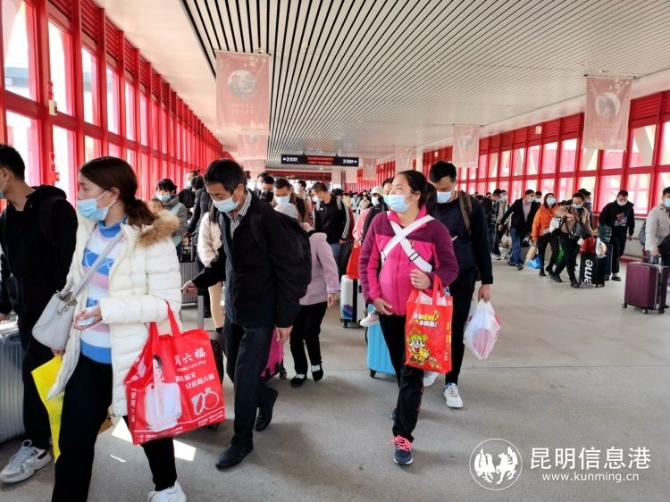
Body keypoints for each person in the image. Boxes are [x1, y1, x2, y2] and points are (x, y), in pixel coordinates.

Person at [50, 156, 185, 502]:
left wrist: (106, 311)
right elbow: (76, 282)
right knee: (73, 443)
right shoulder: (86, 227)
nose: (78, 195)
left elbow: (167, 304)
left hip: (135, 358)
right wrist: (65, 332)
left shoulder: (151, 238)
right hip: (87, 357)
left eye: (84, 188)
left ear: (111, 194)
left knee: (150, 432)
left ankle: (168, 487)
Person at [183, 159, 304, 470]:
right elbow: (225, 257)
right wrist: (200, 281)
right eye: (211, 195)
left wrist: (285, 318)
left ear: (238, 190)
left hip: (262, 312)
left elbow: (290, 270)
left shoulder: (266, 219)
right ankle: (266, 397)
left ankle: (241, 440)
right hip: (235, 308)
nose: (214, 201)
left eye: (219, 195)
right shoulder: (227, 215)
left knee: (245, 378)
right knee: (234, 372)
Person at [359, 170, 458, 466]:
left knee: (411, 372)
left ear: (415, 195)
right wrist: (373, 296)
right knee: (399, 367)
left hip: (421, 315)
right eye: (390, 188)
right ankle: (408, 401)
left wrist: (431, 280)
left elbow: (451, 268)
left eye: (398, 188)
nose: (391, 192)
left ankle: (403, 436)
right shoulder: (380, 221)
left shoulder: (435, 229)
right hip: (388, 310)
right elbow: (367, 261)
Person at [0, 145, 77, 485]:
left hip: (57, 315)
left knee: (35, 375)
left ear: (5, 174)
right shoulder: (6, 217)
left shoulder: (55, 209)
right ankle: (52, 438)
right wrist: (4, 304)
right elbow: (7, 266)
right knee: (41, 377)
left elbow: (72, 267)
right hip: (27, 314)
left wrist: (62, 317)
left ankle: (38, 445)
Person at [425, 162, 493, 408]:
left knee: (454, 329)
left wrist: (487, 281)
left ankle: (451, 382)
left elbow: (482, 244)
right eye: (435, 188)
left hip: (461, 277)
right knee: (429, 325)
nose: (439, 193)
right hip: (429, 278)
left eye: (444, 188)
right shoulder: (425, 203)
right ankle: (431, 366)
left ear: (455, 182)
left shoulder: (470, 206)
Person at [273, 203, 339, 387]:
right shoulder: (279, 240)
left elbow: (329, 265)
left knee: (310, 333)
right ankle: (300, 370)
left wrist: (332, 289)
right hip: (293, 298)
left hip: (316, 297)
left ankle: (316, 362)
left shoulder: (316, 238)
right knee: (295, 337)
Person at [551, 192, 596, 288]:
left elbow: (587, 224)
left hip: (577, 237)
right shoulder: (567, 208)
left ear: (583, 202)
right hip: (565, 235)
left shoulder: (584, 211)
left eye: (579, 202)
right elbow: (557, 212)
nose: (576, 204)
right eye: (575, 202)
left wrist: (592, 233)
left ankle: (555, 273)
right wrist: (567, 214)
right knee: (569, 257)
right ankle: (573, 279)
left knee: (568, 256)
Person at [197, 201, 224, 335]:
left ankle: (236, 329)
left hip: (235, 266)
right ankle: (220, 330)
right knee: (215, 298)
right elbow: (204, 245)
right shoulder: (208, 218)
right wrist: (213, 267)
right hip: (213, 265)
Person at [312, 182, 351, 270]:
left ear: (320, 192)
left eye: (314, 194)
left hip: (336, 242)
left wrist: (343, 237)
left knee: (334, 266)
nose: (314, 197)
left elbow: (347, 220)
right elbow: (316, 224)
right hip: (322, 242)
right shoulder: (317, 206)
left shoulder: (339, 202)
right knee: (323, 267)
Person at [599, 190, 635, 281]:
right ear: (617, 197)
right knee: (613, 252)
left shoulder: (629, 208)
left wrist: (631, 233)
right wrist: (604, 228)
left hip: (622, 233)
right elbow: (602, 218)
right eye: (621, 199)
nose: (623, 201)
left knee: (619, 252)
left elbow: (631, 221)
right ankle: (612, 273)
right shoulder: (610, 206)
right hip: (611, 233)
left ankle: (612, 271)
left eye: (625, 200)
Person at [500, 189, 539, 270]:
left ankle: (512, 259)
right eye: (531, 195)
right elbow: (508, 212)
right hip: (515, 226)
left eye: (534, 196)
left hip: (525, 228)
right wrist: (501, 223)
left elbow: (536, 217)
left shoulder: (535, 205)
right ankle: (518, 263)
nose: (533, 197)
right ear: (526, 195)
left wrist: (533, 229)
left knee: (519, 244)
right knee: (516, 244)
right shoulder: (518, 202)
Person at [145, 355, 182, 432]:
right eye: (151, 368)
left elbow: (177, 412)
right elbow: (149, 419)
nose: (154, 371)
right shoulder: (147, 391)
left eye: (157, 367)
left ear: (161, 369)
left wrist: (159, 424)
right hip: (154, 432)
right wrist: (148, 393)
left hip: (171, 428)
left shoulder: (173, 387)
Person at [155, 179, 188, 252]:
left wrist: (167, 232)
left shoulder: (180, 207)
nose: (161, 193)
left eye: (165, 191)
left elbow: (183, 227)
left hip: (174, 244)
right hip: (155, 244)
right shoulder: (152, 205)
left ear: (172, 191)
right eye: (159, 191)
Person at [531, 193, 559, 277]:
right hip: (542, 233)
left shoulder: (558, 209)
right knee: (541, 251)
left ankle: (550, 267)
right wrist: (534, 237)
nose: (551, 199)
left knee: (556, 251)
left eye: (553, 197)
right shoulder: (540, 210)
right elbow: (535, 224)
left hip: (554, 233)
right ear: (545, 199)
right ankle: (541, 268)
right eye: (549, 198)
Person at [645, 187, 670, 263]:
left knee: (666, 268)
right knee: (655, 269)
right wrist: (653, 248)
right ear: (663, 197)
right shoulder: (655, 212)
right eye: (669, 197)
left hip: (667, 247)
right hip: (656, 246)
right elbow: (650, 231)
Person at [491, 189, 509, 260]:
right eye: (503, 195)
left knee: (499, 239)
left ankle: (495, 252)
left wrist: (508, 227)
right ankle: (496, 252)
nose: (504, 196)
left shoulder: (507, 205)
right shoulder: (496, 203)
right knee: (496, 238)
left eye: (505, 195)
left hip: (504, 224)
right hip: (497, 223)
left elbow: (508, 216)